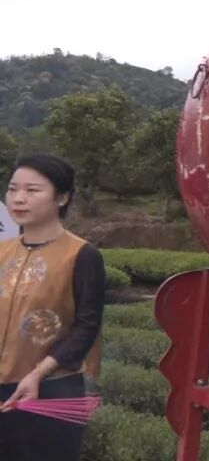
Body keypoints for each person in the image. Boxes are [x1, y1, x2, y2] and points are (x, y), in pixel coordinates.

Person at [0, 154, 105, 461]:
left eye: (32, 190)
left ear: (62, 198)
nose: (19, 198)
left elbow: (87, 325)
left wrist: (38, 373)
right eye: (13, 189)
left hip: (48, 389)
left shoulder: (82, 255)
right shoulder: (3, 251)